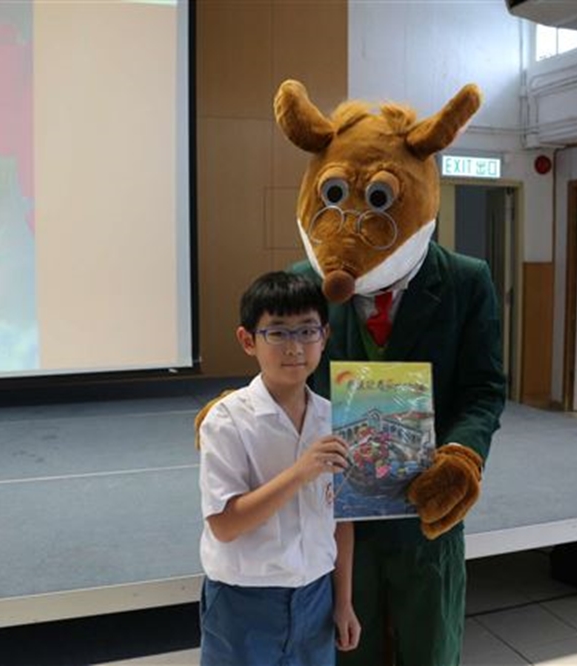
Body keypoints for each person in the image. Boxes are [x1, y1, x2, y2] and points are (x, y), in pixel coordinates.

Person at [274, 79, 507, 665]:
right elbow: (282, 377)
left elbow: (483, 389)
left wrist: (464, 456)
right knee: (347, 650)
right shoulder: (304, 280)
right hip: (335, 517)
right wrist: (241, 412)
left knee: (429, 649)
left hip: (425, 514)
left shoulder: (466, 281)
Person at [197, 270, 361, 666]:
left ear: (325, 336)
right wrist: (300, 473)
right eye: (278, 332)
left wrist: (343, 602)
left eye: (307, 330)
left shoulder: (336, 418)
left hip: (317, 596)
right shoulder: (226, 420)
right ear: (247, 340)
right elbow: (225, 525)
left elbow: (342, 519)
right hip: (244, 602)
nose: (295, 346)